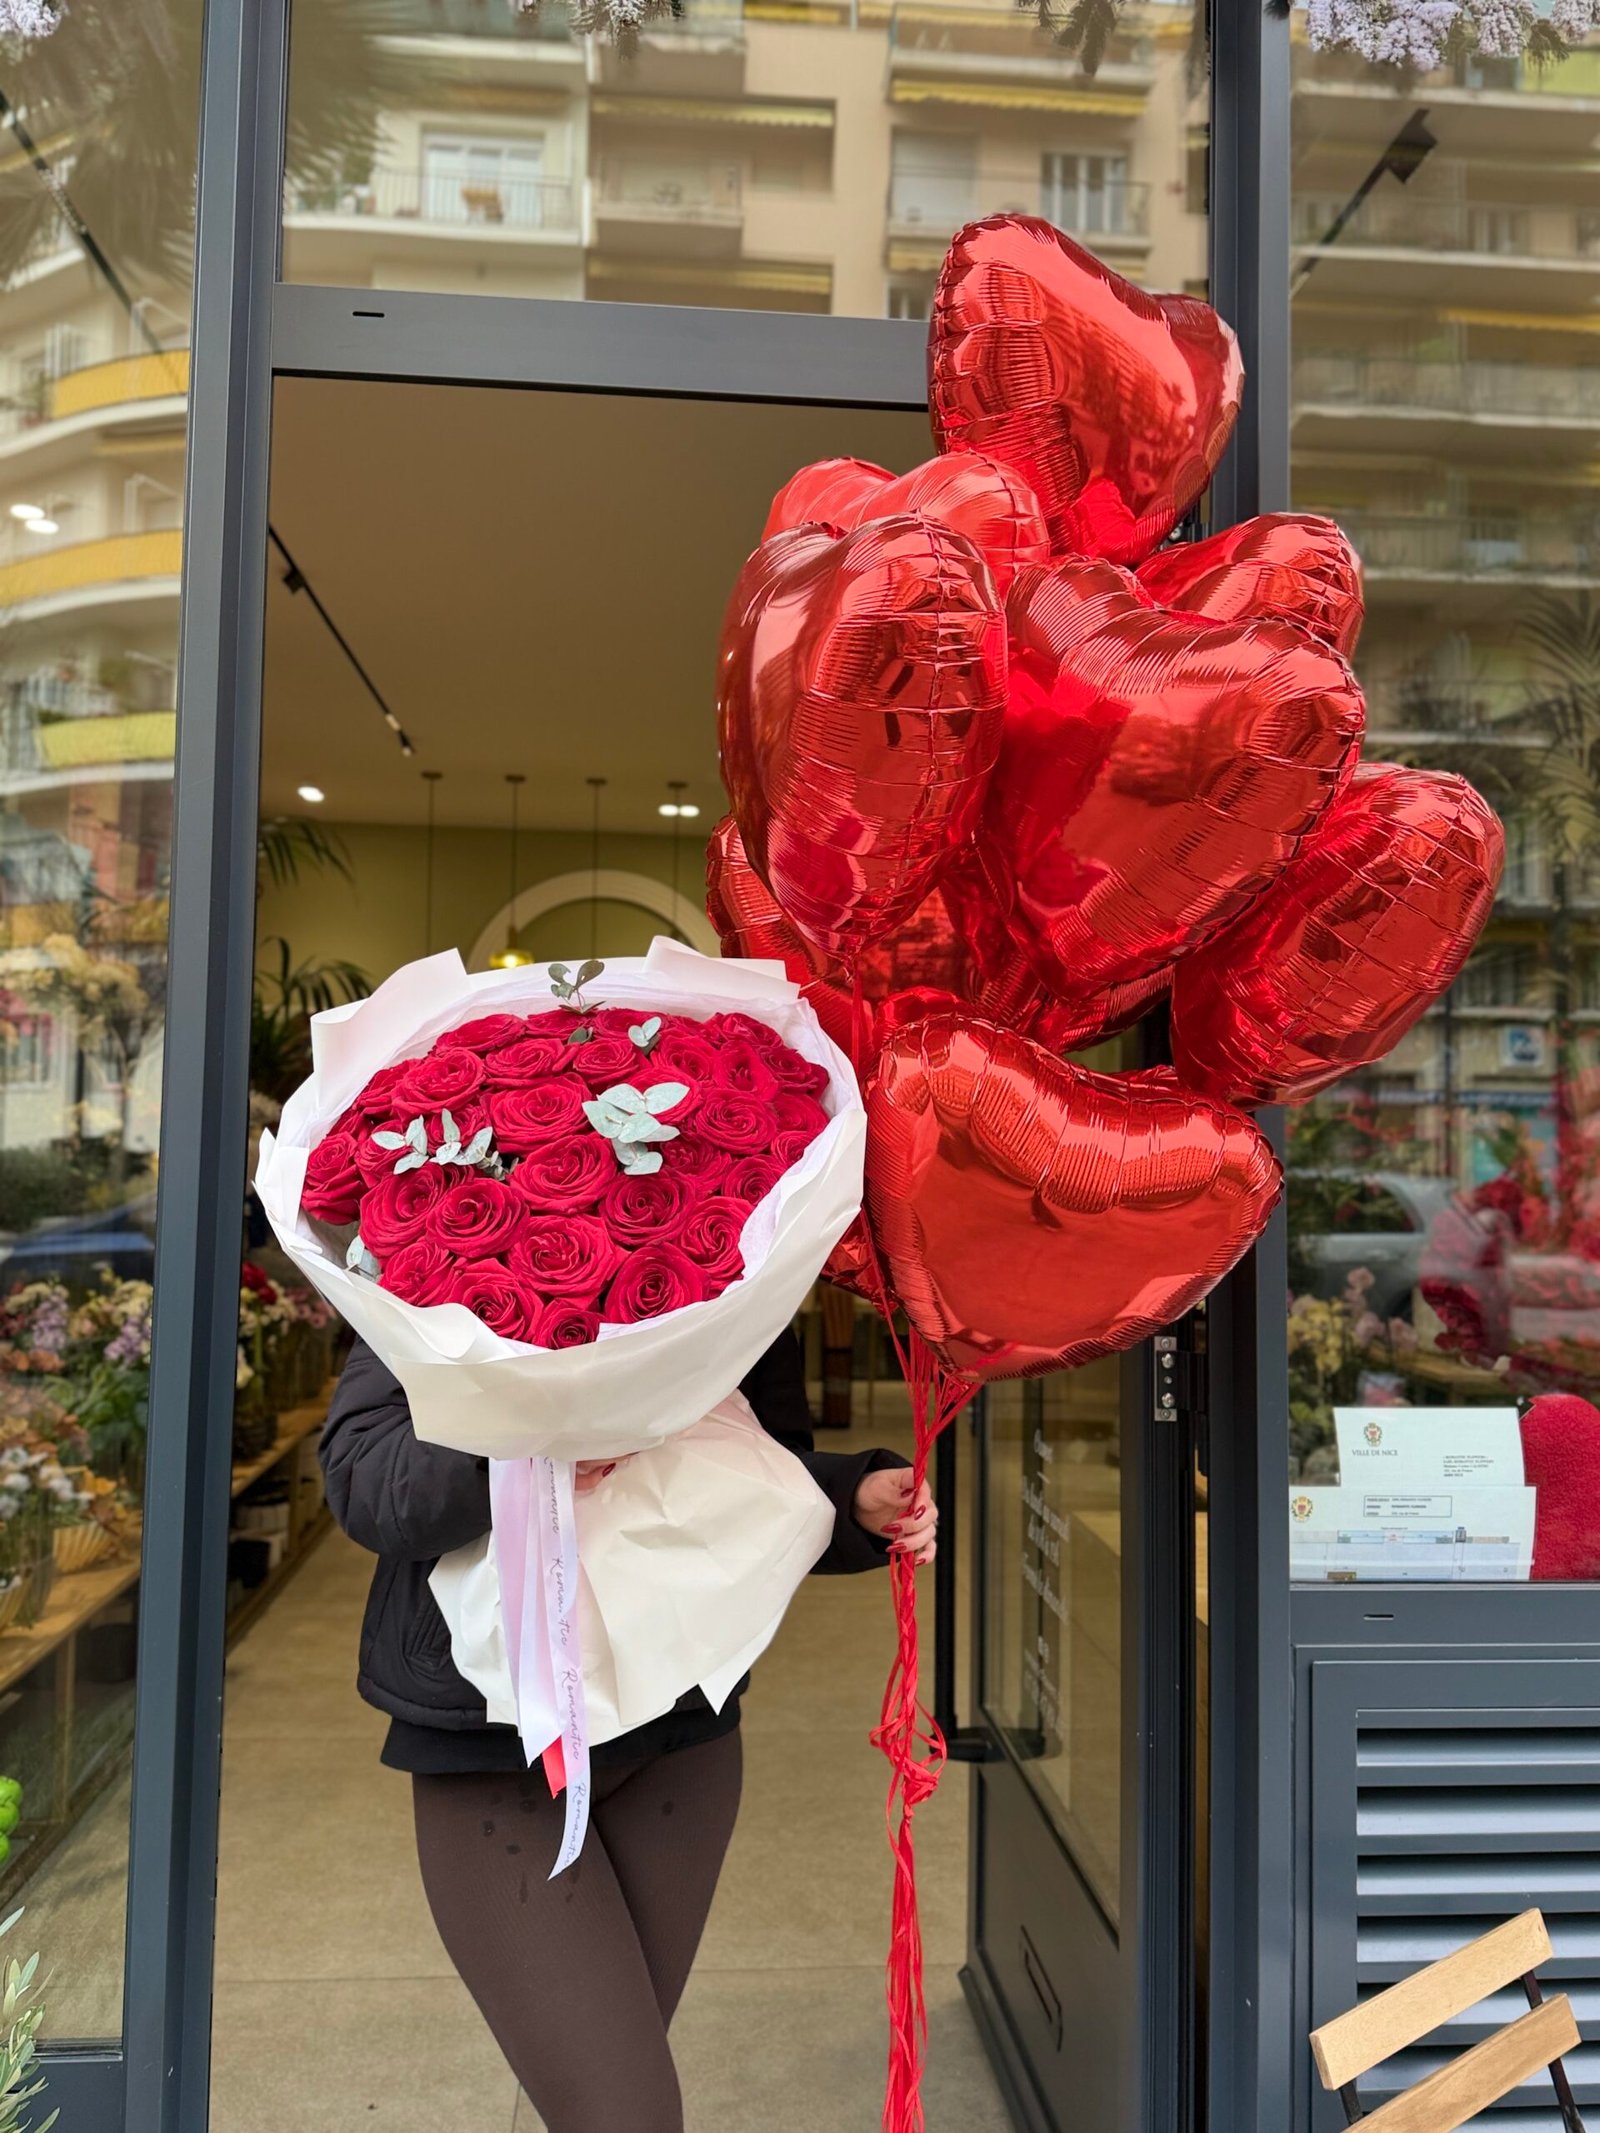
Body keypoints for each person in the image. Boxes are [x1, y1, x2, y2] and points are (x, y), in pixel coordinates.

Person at [319, 1325, 935, 2133]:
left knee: (609, 2091)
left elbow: (752, 1470)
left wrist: (850, 1495)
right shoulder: (441, 1236)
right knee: (623, 2111)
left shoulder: (740, 1242)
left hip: (680, 1741)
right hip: (495, 1754)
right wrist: (537, 1444)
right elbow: (366, 1475)